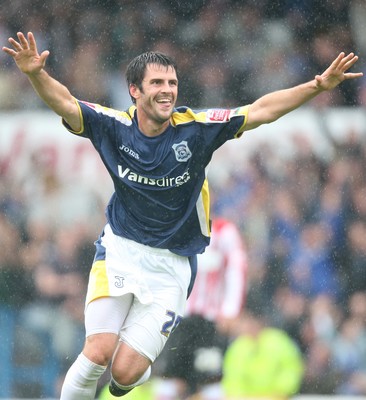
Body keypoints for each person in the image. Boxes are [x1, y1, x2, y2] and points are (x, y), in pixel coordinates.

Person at [2, 31, 362, 400]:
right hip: (120, 251)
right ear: (134, 91)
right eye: (156, 82)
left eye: (172, 83)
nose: (167, 90)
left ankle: (132, 374)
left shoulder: (197, 129)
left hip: (172, 267)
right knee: (97, 352)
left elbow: (260, 111)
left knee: (124, 376)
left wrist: (318, 86)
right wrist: (35, 74)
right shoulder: (113, 126)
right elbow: (66, 103)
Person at [154, 217, 248, 400]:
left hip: (210, 320)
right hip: (178, 318)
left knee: (210, 377)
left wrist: (230, 311)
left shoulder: (224, 231)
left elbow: (237, 269)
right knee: (169, 375)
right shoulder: (176, 226)